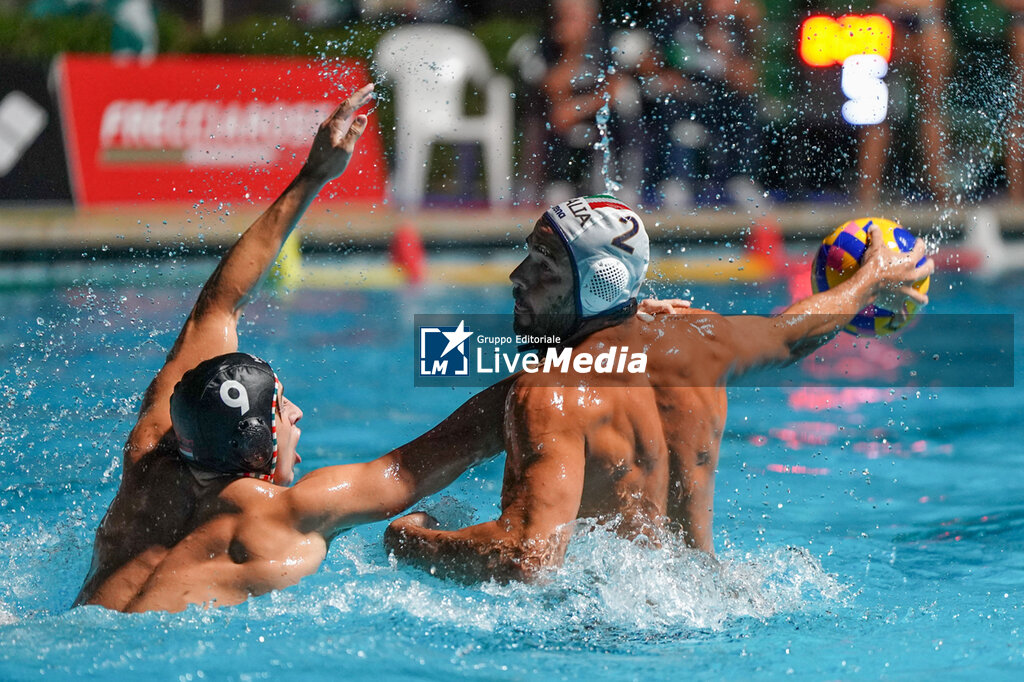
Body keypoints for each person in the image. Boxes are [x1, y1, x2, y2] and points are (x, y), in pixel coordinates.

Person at [72, 84, 519, 613]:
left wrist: (313, 176)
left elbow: (217, 308)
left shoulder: (150, 454)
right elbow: (424, 461)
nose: (298, 412)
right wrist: (584, 354)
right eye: (282, 407)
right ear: (259, 447)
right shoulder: (279, 518)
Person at [384, 196, 934, 583]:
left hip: (599, 631)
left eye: (543, 261)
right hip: (713, 604)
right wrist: (868, 282)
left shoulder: (551, 393)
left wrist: (414, 543)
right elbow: (793, 334)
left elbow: (527, 562)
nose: (517, 276)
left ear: (595, 282)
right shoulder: (700, 343)